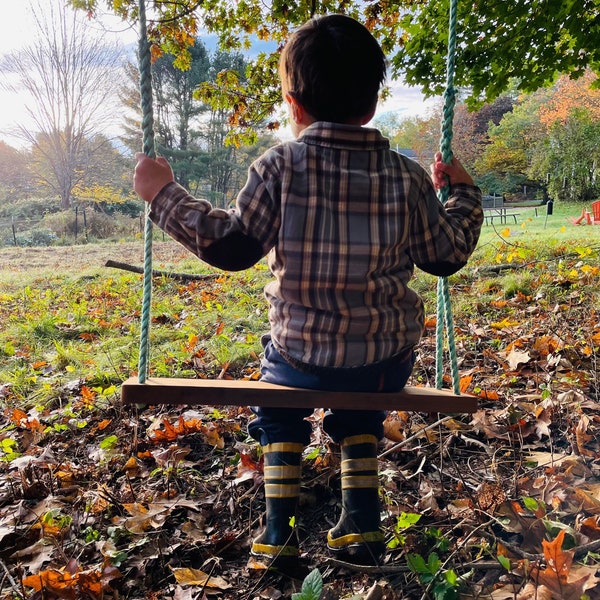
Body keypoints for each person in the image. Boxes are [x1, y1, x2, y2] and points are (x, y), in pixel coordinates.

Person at [133, 14, 483, 566]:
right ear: (371, 104)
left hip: (299, 359)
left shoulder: (279, 168)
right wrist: (461, 190)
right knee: (361, 410)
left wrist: (164, 194)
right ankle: (362, 525)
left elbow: (231, 247)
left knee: (277, 407)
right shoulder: (409, 176)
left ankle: (279, 530)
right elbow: (446, 256)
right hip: (384, 365)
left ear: (293, 107)